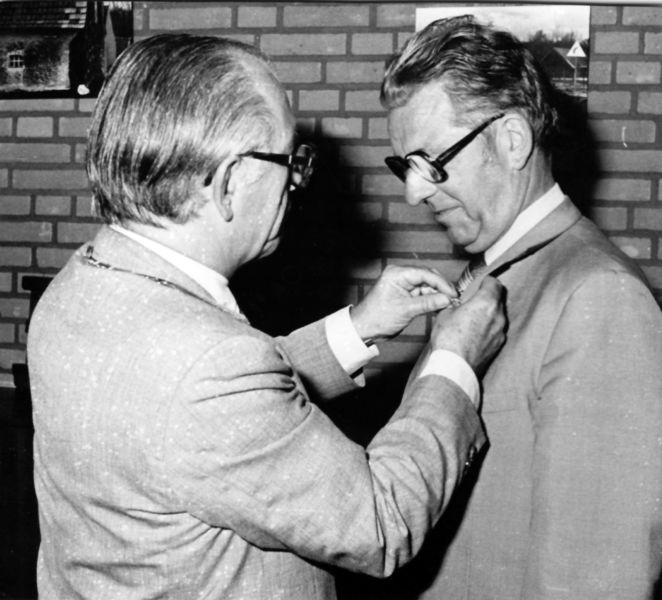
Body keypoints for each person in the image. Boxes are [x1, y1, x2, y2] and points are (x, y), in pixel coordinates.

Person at [27, 33, 507, 599]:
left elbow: (213, 409)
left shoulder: (80, 284)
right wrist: (453, 361)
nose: (296, 184)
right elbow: (381, 524)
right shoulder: (211, 369)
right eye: (290, 161)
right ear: (231, 182)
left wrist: (357, 328)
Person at [371, 15, 662, 600]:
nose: (414, 191)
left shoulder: (600, 298)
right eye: (405, 166)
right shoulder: (496, 270)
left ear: (511, 139)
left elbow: (593, 581)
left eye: (430, 161)